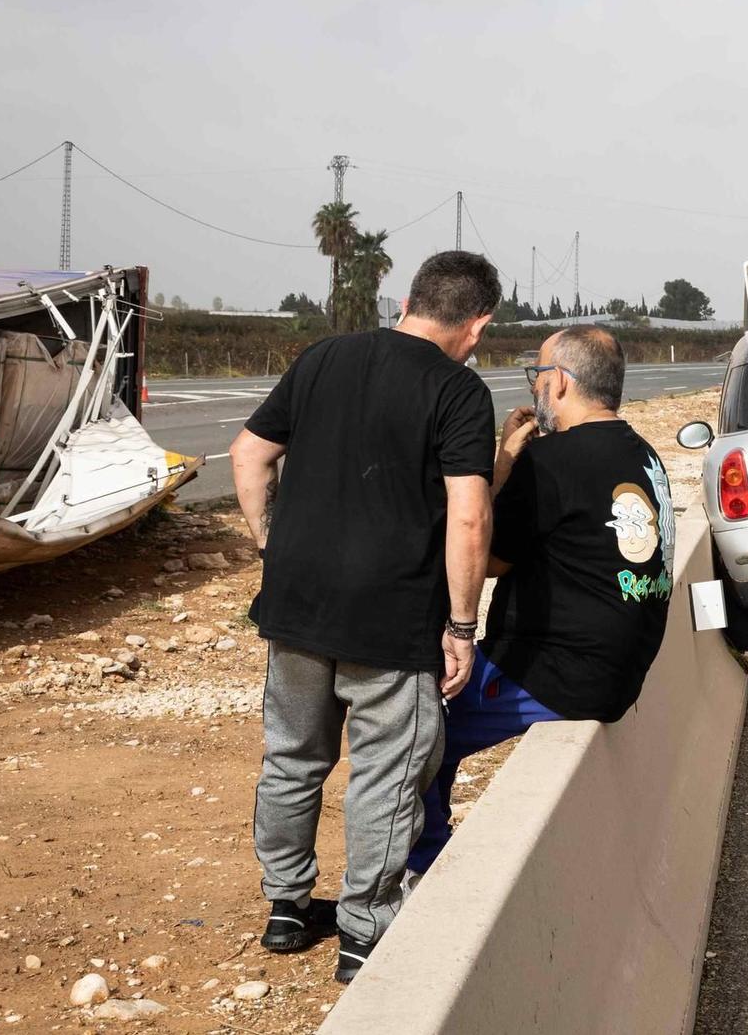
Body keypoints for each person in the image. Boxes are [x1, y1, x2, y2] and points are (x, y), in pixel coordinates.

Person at [229, 250, 501, 983]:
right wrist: (463, 627)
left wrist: (271, 544)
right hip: (391, 623)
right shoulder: (460, 390)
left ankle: (286, 909)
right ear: (477, 324)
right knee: (387, 770)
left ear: (409, 299)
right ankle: (363, 932)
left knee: (291, 756)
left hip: (295, 609)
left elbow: (250, 454)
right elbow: (470, 517)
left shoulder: (321, 358)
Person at [406, 325, 675, 879]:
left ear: (558, 383)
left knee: (413, 733)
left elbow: (488, 556)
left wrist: (504, 460)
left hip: (557, 671)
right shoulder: (641, 452)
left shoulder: (554, 461)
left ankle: (424, 870)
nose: (533, 390)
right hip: (619, 666)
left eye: (537, 376)